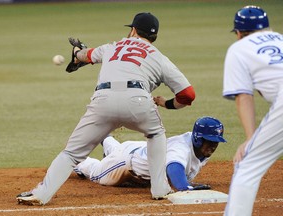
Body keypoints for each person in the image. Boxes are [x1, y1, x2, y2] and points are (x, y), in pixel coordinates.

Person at [16, 12, 196, 205]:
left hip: (103, 101)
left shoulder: (112, 47)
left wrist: (77, 54)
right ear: (154, 36)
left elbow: (87, 55)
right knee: (156, 134)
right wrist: (167, 104)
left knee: (71, 153)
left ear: (133, 30)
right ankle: (160, 189)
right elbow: (188, 95)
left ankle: (41, 194)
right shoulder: (160, 58)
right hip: (138, 102)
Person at [222, 5, 283, 216]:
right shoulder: (280, 38)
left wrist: (250, 138)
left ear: (238, 33)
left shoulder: (239, 48)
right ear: (268, 28)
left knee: (247, 165)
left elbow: (243, 96)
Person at [74, 116, 227, 191]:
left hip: (139, 151)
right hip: (125, 164)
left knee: (116, 151)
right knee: (96, 173)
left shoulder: (200, 149)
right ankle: (77, 161)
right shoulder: (180, 149)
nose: (213, 146)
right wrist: (186, 188)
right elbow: (174, 169)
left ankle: (105, 137)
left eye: (216, 141)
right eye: (210, 141)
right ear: (198, 139)